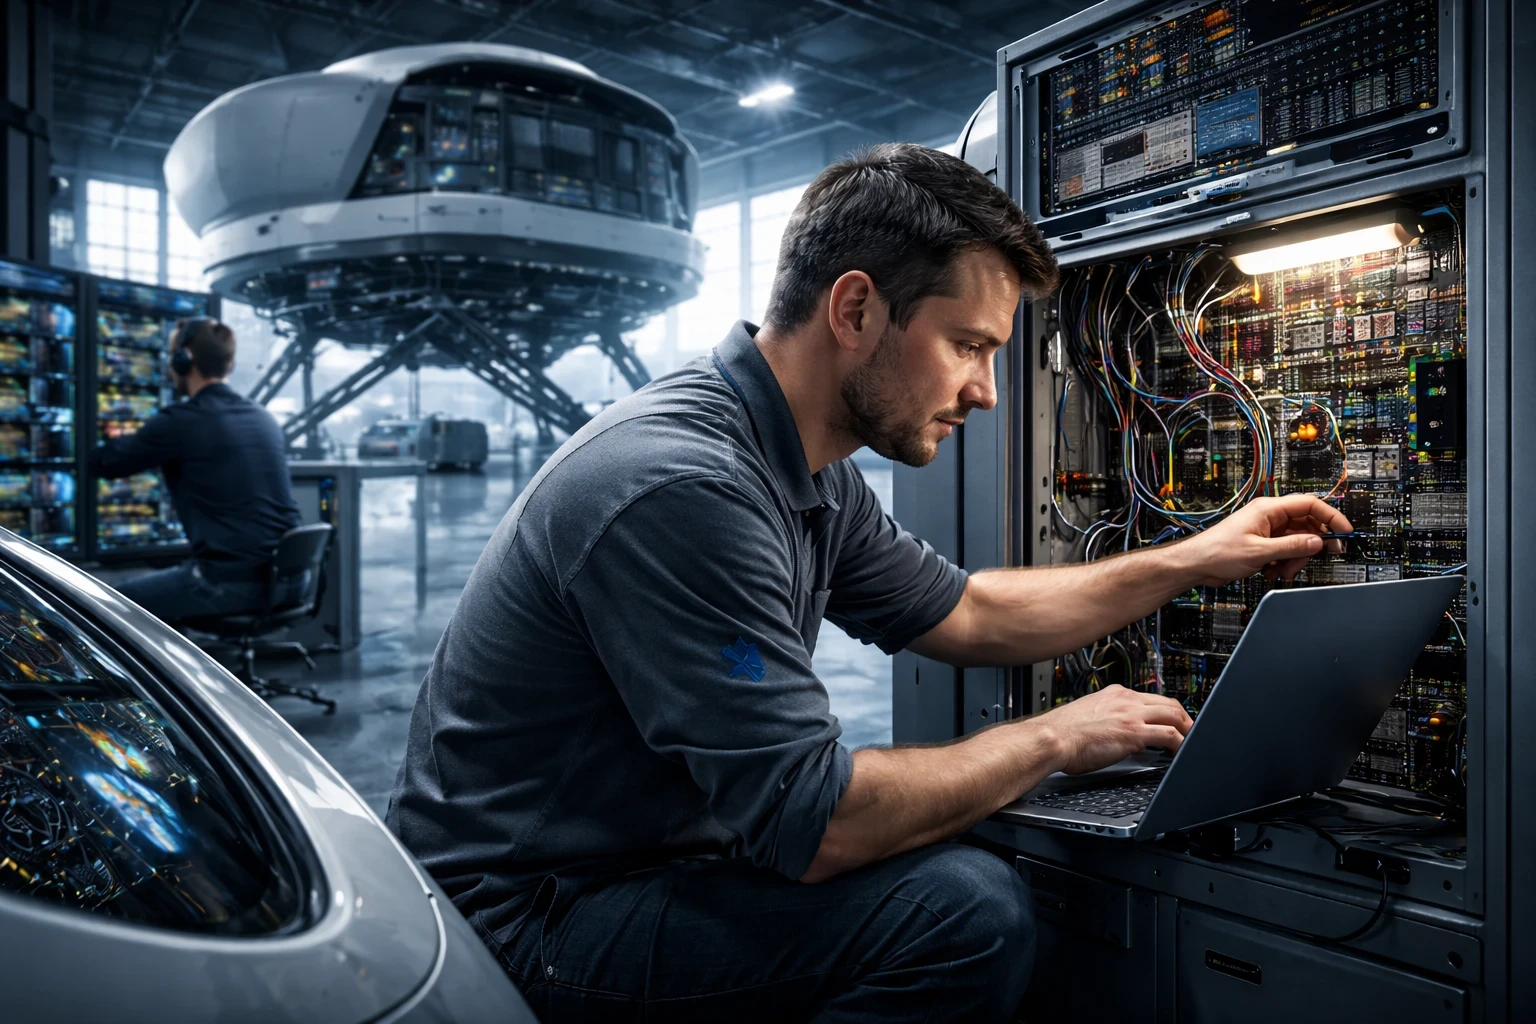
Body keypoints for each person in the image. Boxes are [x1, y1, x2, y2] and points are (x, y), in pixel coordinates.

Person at [387, 144, 1352, 1022]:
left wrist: (1205, 554)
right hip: (526, 918)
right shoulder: (682, 486)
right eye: (968, 346)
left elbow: (969, 612)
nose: (984, 390)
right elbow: (817, 822)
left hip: (646, 863)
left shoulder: (804, 464)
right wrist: (1055, 735)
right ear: (855, 310)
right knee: (962, 912)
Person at [93, 317, 304, 623]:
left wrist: (111, 437)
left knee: (107, 606)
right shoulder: (264, 417)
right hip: (292, 582)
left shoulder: (181, 420)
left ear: (183, 360)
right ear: (229, 364)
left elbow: (104, 464)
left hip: (231, 585)